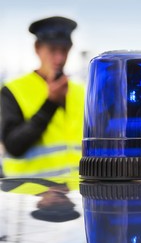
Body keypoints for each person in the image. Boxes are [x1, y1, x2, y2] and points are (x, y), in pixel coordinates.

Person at [0, 16, 84, 178]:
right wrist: (50, 103)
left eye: (64, 50)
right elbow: (13, 146)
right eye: (52, 50)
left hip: (74, 194)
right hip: (27, 195)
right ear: (37, 48)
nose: (59, 58)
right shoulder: (12, 90)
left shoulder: (81, 91)